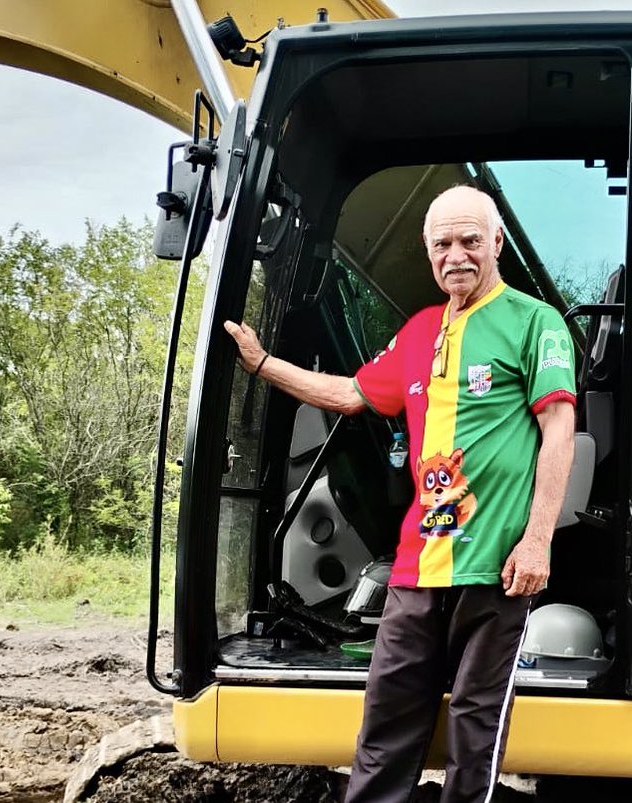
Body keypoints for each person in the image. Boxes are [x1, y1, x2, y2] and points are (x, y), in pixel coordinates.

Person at [223, 185, 576, 803]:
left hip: (496, 568)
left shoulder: (534, 322)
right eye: (443, 244)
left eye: (470, 240)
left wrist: (537, 541)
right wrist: (261, 364)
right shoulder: (419, 331)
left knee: (476, 731)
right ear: (428, 251)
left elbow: (559, 430)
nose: (456, 255)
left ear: (496, 243)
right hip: (418, 566)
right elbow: (349, 394)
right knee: (385, 727)